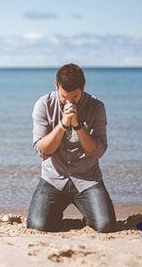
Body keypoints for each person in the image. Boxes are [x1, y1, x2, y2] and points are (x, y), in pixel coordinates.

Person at [26, 63, 116, 233]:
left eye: (74, 97)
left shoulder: (96, 106)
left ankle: (88, 213)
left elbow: (98, 151)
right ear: (56, 86)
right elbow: (42, 150)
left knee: (105, 226)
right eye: (63, 96)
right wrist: (62, 125)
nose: (69, 102)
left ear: (83, 87)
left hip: (87, 179)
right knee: (36, 227)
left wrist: (78, 126)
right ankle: (54, 214)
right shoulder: (44, 104)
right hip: (53, 178)